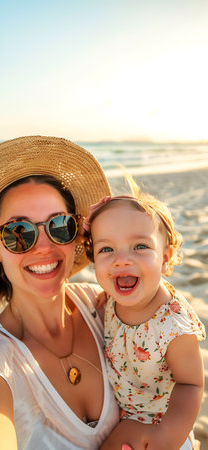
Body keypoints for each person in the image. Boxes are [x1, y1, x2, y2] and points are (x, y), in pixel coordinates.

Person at [0, 135, 123, 450]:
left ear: (76, 233)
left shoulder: (110, 306)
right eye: (19, 232)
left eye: (59, 225)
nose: (45, 247)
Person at [83, 178, 205, 450]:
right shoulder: (113, 301)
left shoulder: (173, 324)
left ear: (165, 257)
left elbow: (191, 385)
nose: (121, 259)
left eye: (140, 246)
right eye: (106, 249)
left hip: (161, 429)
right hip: (122, 419)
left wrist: (166, 436)